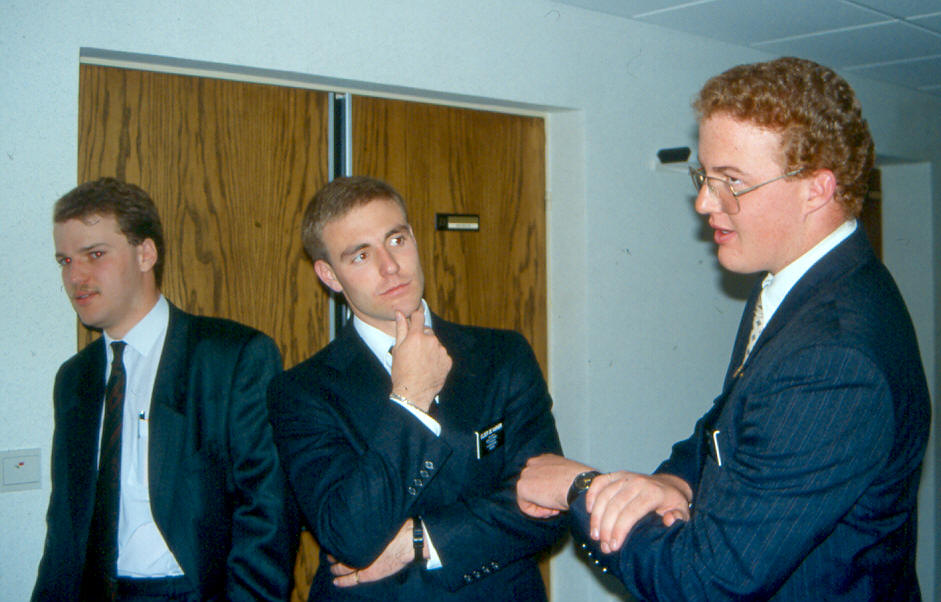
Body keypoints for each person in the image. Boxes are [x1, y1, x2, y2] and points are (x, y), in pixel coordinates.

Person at [516, 56, 931, 600]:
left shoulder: (834, 355)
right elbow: (728, 426)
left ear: (816, 189)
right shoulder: (801, 283)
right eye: (705, 177)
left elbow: (708, 581)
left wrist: (580, 490)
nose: (704, 202)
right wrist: (671, 483)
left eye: (732, 181)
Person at [267, 175, 564, 600]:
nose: (390, 266)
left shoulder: (502, 356)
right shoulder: (302, 392)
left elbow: (549, 506)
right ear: (329, 275)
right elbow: (350, 536)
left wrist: (422, 540)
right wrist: (410, 399)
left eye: (397, 240)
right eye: (361, 255)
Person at [34, 177, 296, 601]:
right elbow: (64, 522)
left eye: (95, 254)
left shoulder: (231, 358)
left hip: (189, 592)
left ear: (146, 254)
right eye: (65, 261)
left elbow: (268, 510)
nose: (75, 276)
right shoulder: (74, 379)